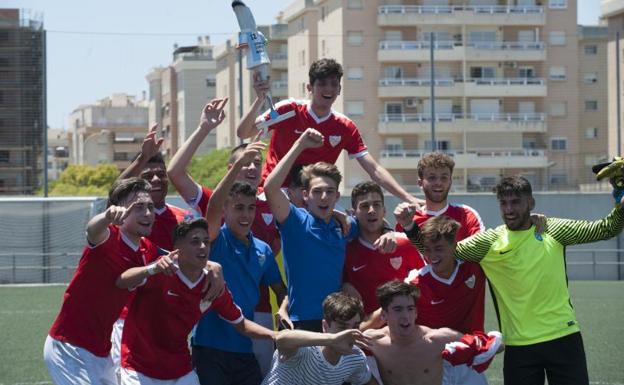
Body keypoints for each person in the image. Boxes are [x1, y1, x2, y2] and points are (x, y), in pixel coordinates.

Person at [396, 175, 624, 385]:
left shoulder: (552, 229)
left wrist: (621, 199)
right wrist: (409, 227)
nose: (509, 209)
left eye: (516, 202)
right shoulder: (488, 242)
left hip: (563, 337)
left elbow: (605, 229)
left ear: (531, 203)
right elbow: (438, 253)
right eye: (504, 204)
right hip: (519, 346)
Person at [168, 99, 281, 375]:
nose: (252, 167)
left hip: (261, 314)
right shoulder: (215, 200)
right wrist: (205, 128)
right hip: (216, 320)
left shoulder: (276, 201)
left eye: (257, 162)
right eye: (244, 162)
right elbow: (176, 173)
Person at [264, 128, 397, 332]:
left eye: (329, 191)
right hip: (299, 321)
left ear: (336, 196)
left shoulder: (344, 225)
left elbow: (372, 223)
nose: (324, 197)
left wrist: (388, 232)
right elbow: (270, 188)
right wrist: (299, 145)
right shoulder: (294, 220)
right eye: (317, 192)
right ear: (305, 195)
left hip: (336, 323)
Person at [237, 58, 420, 205]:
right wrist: (259, 100)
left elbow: (374, 169)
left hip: (314, 203)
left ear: (339, 89)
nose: (328, 89)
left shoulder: (345, 126)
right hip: (274, 196)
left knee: (352, 228)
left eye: (334, 84)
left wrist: (409, 198)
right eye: (322, 84)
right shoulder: (288, 109)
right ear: (309, 88)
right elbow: (243, 133)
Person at [117, 218, 276, 385]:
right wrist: (151, 269)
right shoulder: (160, 271)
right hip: (138, 367)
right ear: (178, 248)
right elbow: (122, 281)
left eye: (206, 242)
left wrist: (274, 335)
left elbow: (240, 324)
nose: (202, 247)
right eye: (195, 241)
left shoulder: (214, 285)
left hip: (179, 369)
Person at [43, 178, 166, 385]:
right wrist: (106, 217)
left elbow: (178, 256)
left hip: (101, 351)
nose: (147, 213)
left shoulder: (146, 248)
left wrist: (210, 266)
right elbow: (92, 230)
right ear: (120, 211)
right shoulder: (107, 238)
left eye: (150, 207)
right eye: (138, 207)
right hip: (69, 347)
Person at [191, 141, 287, 385]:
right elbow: (211, 206)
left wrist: (284, 310)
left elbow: (280, 290)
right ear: (225, 209)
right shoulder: (215, 239)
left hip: (246, 349)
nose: (246, 215)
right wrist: (238, 166)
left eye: (251, 208)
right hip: (209, 347)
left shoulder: (263, 250)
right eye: (238, 208)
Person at [365, 281, 503, 385]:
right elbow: (344, 347)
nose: (405, 316)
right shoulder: (373, 341)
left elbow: (497, 345)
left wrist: (486, 347)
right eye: (398, 309)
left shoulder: (437, 339)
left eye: (410, 308)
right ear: (383, 315)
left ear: (416, 312)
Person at [343, 181, 425, 317]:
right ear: (353, 213)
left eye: (376, 205)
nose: (371, 210)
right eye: (364, 206)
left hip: (405, 329)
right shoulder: (346, 250)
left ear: (384, 210)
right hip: (365, 331)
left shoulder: (405, 243)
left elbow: (425, 282)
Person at [262, 292, 378, 385]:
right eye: (342, 327)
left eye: (355, 326)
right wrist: (333, 339)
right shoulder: (304, 348)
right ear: (325, 326)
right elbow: (281, 339)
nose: (350, 333)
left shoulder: (355, 357)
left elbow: (368, 381)